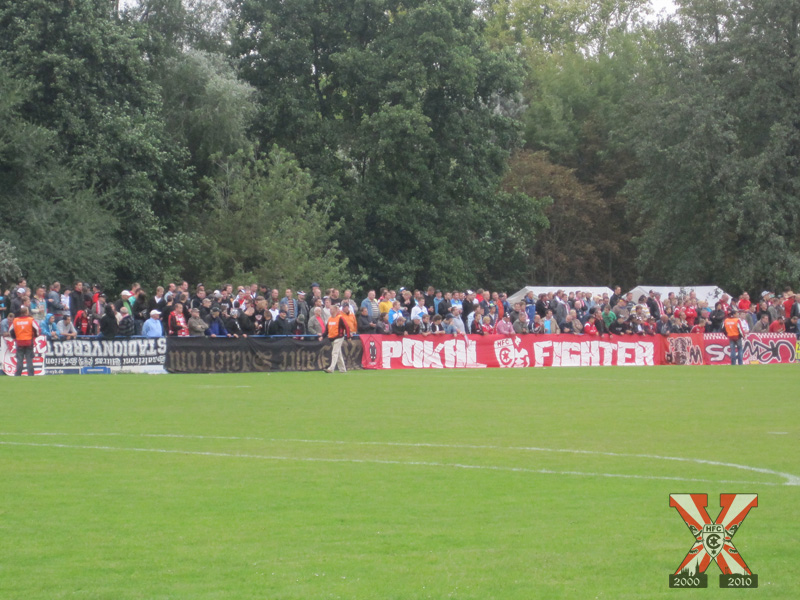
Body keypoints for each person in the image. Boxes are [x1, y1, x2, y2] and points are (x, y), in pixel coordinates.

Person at [10, 307, 40, 376]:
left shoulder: (15, 320)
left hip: (19, 342)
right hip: (29, 341)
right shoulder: (30, 320)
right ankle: (30, 374)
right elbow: (37, 329)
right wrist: (35, 335)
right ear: (27, 312)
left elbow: (10, 330)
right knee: (29, 359)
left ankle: (18, 374)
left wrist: (15, 337)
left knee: (19, 360)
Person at [324, 305, 351, 373]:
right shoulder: (330, 318)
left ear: (336, 310)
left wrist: (348, 336)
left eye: (332, 309)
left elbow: (346, 327)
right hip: (332, 338)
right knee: (338, 354)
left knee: (334, 352)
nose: (330, 311)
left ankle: (331, 368)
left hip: (339, 337)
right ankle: (343, 369)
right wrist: (323, 335)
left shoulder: (340, 318)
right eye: (330, 309)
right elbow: (327, 329)